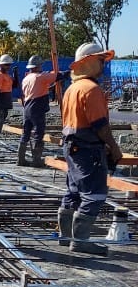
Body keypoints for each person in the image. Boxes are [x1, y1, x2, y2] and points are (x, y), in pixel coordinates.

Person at [57, 41, 122, 255]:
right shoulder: (91, 89)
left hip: (71, 145)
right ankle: (81, 241)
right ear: (89, 62)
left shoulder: (72, 88)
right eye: (101, 61)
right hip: (87, 149)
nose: (103, 66)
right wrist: (113, 147)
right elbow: (100, 126)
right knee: (94, 194)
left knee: (74, 191)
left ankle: (66, 237)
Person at [18, 55, 62, 168]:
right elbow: (57, 76)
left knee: (26, 133)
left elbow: (37, 88)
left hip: (27, 107)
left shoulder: (26, 78)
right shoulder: (40, 76)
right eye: (40, 65)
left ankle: (21, 159)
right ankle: (37, 160)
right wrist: (68, 72)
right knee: (39, 133)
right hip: (36, 107)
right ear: (37, 66)